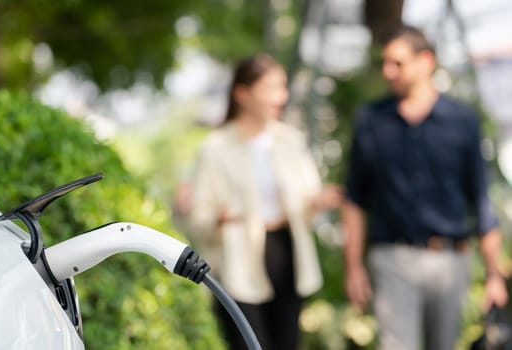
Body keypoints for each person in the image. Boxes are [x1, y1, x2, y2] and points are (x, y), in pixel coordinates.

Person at [342, 25, 509, 350]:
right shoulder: (371, 121)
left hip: (450, 261)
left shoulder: (462, 120)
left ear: (426, 61)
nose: (389, 72)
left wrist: (493, 274)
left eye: (398, 63)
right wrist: (353, 267)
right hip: (392, 257)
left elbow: (480, 198)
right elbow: (354, 199)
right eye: (385, 63)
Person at [185, 53, 341, 350]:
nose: (280, 97)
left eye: (283, 87)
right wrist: (219, 219)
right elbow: (199, 217)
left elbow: (308, 201)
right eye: (271, 88)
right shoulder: (215, 147)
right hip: (238, 260)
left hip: (288, 253)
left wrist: (318, 202)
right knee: (248, 343)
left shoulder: (291, 140)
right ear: (242, 94)